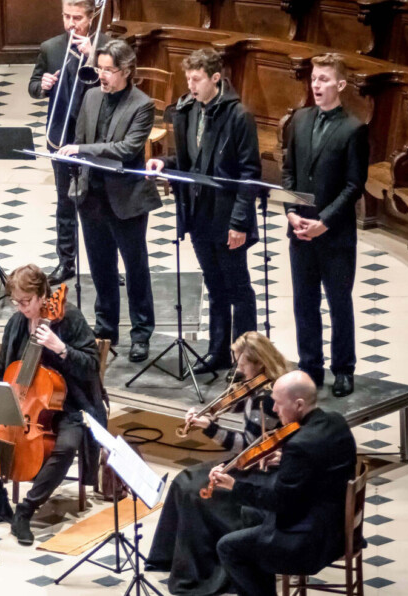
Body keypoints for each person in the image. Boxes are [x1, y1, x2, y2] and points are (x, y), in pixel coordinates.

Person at [0, 264, 105, 546]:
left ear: (42, 295)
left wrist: (59, 347)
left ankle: (25, 511)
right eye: (15, 302)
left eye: (26, 302)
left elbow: (91, 366)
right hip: (21, 401)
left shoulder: (69, 318)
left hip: (68, 405)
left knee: (65, 446)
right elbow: (1, 365)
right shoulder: (17, 322)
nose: (20, 307)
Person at [146, 331, 288, 594]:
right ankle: (168, 558)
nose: (238, 369)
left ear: (259, 363)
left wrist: (210, 429)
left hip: (258, 471)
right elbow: (235, 403)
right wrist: (205, 415)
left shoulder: (268, 399)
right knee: (183, 479)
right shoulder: (256, 383)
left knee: (193, 492)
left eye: (242, 364)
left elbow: (246, 447)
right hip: (248, 462)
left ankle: (202, 572)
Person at [146, 49, 260, 374]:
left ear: (215, 78)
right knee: (214, 286)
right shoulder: (187, 110)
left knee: (239, 289)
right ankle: (218, 352)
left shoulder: (238, 117)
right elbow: (188, 163)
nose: (191, 86)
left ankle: (246, 361)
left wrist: (239, 223)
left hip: (227, 219)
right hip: (197, 215)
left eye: (197, 80)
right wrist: (164, 164)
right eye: (188, 79)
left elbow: (250, 175)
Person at [211, 370, 358, 596]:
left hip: (310, 542)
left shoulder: (299, 444)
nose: (274, 410)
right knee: (249, 513)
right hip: (336, 525)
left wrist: (234, 486)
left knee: (228, 547)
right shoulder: (335, 421)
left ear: (299, 404)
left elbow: (280, 501)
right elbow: (320, 465)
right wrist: (285, 461)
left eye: (278, 404)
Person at [58, 38, 160, 363]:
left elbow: (127, 149)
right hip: (92, 198)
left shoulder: (142, 104)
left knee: (135, 269)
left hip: (126, 200)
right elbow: (79, 138)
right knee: (101, 269)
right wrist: (74, 159)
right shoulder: (90, 97)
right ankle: (105, 330)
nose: (102, 75)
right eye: (99, 68)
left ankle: (141, 333)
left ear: (127, 71)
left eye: (109, 70)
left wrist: (82, 151)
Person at [282, 53, 367, 398]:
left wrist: (324, 222)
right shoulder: (300, 120)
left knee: (338, 302)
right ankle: (310, 366)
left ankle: (343, 369)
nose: (317, 85)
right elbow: (288, 172)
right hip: (299, 229)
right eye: (315, 79)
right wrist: (291, 212)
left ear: (341, 85)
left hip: (335, 235)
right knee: (304, 302)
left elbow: (353, 186)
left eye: (325, 80)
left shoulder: (354, 129)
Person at [29, 0, 104, 284]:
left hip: (96, 137)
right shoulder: (51, 47)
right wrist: (42, 85)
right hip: (61, 132)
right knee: (65, 201)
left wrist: (93, 56)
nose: (72, 24)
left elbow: (124, 82)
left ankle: (105, 262)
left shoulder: (107, 45)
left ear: (91, 17)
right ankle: (66, 260)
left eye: (78, 18)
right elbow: (34, 85)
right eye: (67, 17)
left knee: (100, 203)